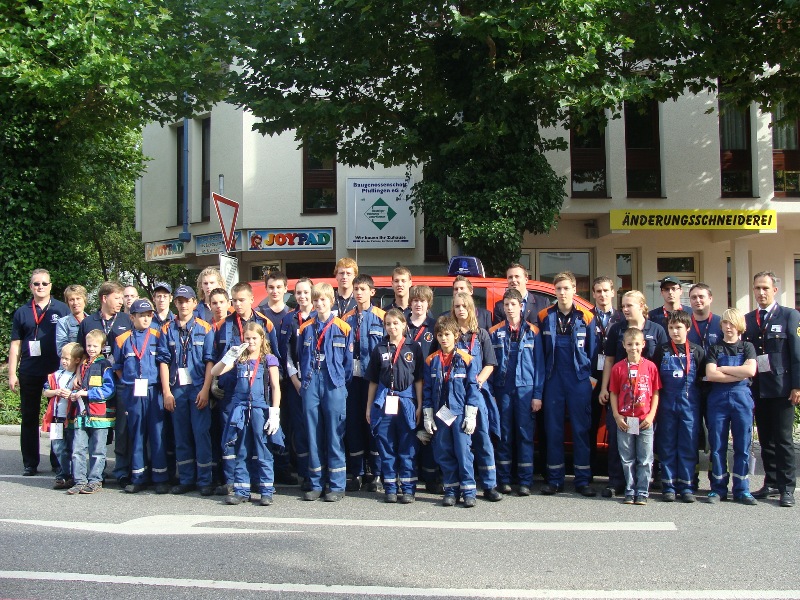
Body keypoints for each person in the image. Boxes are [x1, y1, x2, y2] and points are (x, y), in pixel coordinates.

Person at [213, 282, 283, 492]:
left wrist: (274, 410)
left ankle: (264, 489)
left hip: (260, 402)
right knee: (238, 445)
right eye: (234, 300)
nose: (238, 304)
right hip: (235, 399)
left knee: (261, 447)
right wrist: (231, 356)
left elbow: (275, 378)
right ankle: (237, 487)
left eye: (242, 299)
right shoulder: (225, 327)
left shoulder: (265, 329)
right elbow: (215, 368)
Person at [599, 290, 668, 498]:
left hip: (647, 398)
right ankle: (617, 482)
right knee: (619, 441)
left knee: (646, 443)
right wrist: (604, 388)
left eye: (630, 305)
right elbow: (609, 360)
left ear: (642, 306)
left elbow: (662, 363)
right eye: (623, 306)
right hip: (621, 398)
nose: (625, 309)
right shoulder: (616, 330)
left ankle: (644, 484)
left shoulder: (656, 329)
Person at [743, 271, 800, 508]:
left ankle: (787, 488)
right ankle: (772, 482)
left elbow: (796, 354)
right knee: (765, 438)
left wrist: (797, 385)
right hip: (758, 387)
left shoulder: (790, 315)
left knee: (783, 439)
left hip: (782, 388)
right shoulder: (748, 319)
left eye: (765, 288)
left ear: (775, 290)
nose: (761, 292)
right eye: (757, 288)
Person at [538, 272, 597, 496]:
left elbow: (592, 351)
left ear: (574, 289)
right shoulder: (545, 315)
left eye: (566, 288)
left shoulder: (587, 317)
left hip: (578, 380)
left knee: (581, 430)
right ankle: (555, 479)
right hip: (553, 379)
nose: (562, 293)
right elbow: (542, 352)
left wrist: (588, 380)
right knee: (553, 430)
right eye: (558, 289)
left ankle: (582, 480)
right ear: (554, 291)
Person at [8, 268, 69, 476]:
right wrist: (12, 373)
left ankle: (57, 459)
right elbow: (15, 345)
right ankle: (30, 463)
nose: (40, 287)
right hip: (29, 371)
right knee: (29, 417)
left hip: (56, 372)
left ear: (51, 286)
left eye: (44, 283)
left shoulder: (62, 309)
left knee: (57, 417)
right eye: (36, 284)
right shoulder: (22, 312)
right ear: (30, 287)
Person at [157, 285, 215, 496]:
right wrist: (166, 392)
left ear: (194, 303)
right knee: (181, 435)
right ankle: (187, 478)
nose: (183, 304)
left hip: (199, 388)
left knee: (201, 434)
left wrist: (206, 390)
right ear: (176, 303)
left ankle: (204, 480)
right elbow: (163, 362)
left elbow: (210, 361)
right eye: (179, 301)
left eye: (187, 300)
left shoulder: (205, 328)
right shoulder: (166, 329)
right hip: (177, 389)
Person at [297, 282, 354, 502]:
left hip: (334, 383)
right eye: (316, 300)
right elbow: (300, 355)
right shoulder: (305, 328)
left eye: (323, 300)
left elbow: (348, 364)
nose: (319, 304)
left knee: (334, 433)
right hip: (311, 381)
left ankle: (337, 485)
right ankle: (315, 483)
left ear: (331, 301)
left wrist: (340, 383)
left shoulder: (343, 327)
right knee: (313, 433)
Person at [76, 281, 132, 486]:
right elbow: (80, 352)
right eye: (117, 298)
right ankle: (96, 472)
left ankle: (122, 470)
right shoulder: (88, 322)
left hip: (120, 380)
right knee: (97, 429)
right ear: (104, 298)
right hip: (95, 384)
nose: (121, 301)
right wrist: (77, 375)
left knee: (123, 427)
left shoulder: (127, 319)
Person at [488, 289, 543, 496]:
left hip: (525, 390)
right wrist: (491, 391)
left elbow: (540, 367)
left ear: (521, 306)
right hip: (503, 389)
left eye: (513, 304)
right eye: (506, 304)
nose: (509, 308)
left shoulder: (534, 332)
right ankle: (504, 479)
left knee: (525, 435)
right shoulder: (494, 332)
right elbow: (490, 364)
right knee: (504, 435)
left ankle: (525, 481)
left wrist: (537, 395)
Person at [366, 309, 424, 503]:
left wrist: (419, 405)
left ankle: (408, 488)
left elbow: (418, 380)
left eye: (396, 323)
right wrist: (369, 407)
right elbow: (373, 380)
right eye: (388, 324)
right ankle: (390, 486)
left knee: (407, 445)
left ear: (403, 325)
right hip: (385, 400)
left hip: (407, 400)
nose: (392, 327)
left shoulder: (413, 347)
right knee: (386, 444)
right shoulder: (380, 348)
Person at [423, 316, 481, 507]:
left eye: (447, 334)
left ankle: (469, 491)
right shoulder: (431, 360)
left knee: (464, 452)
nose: (443, 338)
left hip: (460, 413)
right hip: (442, 413)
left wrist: (471, 415)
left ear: (456, 335)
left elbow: (472, 388)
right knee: (444, 451)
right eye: (440, 335)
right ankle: (451, 489)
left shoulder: (466, 359)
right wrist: (428, 414)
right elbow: (428, 390)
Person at [113, 299, 167, 494]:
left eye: (148, 315)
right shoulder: (122, 339)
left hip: (154, 390)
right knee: (136, 434)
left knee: (157, 433)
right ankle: (138, 476)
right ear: (132, 317)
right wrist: (129, 381)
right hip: (133, 391)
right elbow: (117, 367)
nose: (146, 318)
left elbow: (164, 362)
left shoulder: (158, 334)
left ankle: (160, 477)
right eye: (141, 315)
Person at [705, 308, 758, 505]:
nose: (728, 327)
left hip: (742, 399)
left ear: (739, 326)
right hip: (718, 399)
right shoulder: (714, 348)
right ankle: (718, 488)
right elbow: (711, 375)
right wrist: (738, 372)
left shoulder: (747, 347)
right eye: (725, 323)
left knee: (742, 446)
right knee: (717, 445)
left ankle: (742, 489)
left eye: (732, 323)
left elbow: (751, 370)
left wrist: (724, 369)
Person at [452, 291, 501, 501]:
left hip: (477, 392)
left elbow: (490, 364)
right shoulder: (448, 333)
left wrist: (477, 381)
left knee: (482, 438)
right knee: (460, 442)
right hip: (454, 395)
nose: (460, 309)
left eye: (464, 306)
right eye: (456, 306)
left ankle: (490, 485)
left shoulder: (481, 334)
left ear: (471, 308)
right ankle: (463, 485)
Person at [652, 311, 704, 502]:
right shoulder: (662, 350)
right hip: (667, 404)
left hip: (690, 405)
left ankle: (687, 486)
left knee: (688, 445)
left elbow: (702, 379)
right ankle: (668, 486)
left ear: (687, 328)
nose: (674, 331)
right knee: (667, 445)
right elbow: (654, 376)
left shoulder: (697, 351)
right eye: (671, 327)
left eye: (679, 327)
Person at [608, 327, 661, 505]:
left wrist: (651, 415)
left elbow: (655, 393)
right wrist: (616, 416)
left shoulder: (650, 367)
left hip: (644, 418)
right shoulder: (618, 368)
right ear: (623, 345)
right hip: (626, 419)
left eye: (637, 344)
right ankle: (630, 490)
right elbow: (614, 393)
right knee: (627, 457)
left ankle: (642, 491)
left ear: (643, 344)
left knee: (645, 458)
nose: (633, 348)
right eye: (630, 344)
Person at [342, 274, 385, 492]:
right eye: (356, 289)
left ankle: (375, 473)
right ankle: (356, 472)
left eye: (363, 289)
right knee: (354, 425)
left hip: (374, 381)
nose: (359, 293)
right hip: (352, 380)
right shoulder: (347, 318)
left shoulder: (382, 317)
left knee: (373, 424)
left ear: (372, 292)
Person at [68, 329, 116, 495]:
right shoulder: (82, 365)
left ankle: (95, 480)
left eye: (95, 346)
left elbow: (109, 390)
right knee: (78, 449)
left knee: (97, 450)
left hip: (100, 416)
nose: (91, 349)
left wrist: (88, 393)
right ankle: (79, 480)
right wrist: (76, 393)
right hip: (82, 415)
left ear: (102, 347)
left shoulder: (105, 365)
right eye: (88, 345)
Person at [279, 278, 314, 490]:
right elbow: (286, 354)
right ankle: (303, 474)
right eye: (298, 293)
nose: (302, 296)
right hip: (296, 384)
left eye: (306, 292)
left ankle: (317, 472)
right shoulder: (289, 319)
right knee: (300, 430)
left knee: (316, 429)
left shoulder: (321, 317)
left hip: (316, 383)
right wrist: (294, 380)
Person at [589, 276, 624, 474]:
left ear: (613, 292)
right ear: (593, 294)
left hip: (615, 378)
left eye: (605, 291)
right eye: (598, 291)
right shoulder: (585, 316)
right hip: (592, 378)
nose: (602, 295)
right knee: (590, 425)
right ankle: (590, 469)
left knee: (614, 425)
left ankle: (615, 473)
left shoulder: (622, 319)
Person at [42, 342, 83, 490]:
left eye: (67, 358)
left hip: (70, 418)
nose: (64, 361)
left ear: (77, 360)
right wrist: (56, 392)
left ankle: (72, 475)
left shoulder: (78, 377)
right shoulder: (55, 375)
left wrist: (71, 394)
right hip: (55, 418)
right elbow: (46, 391)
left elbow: (80, 394)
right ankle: (62, 474)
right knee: (57, 447)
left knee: (72, 447)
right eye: (62, 358)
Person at [56, 285, 87, 355]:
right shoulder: (63, 323)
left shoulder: (93, 320)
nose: (75, 303)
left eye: (78, 298)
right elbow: (61, 351)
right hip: (71, 364)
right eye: (71, 300)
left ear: (84, 300)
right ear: (68, 302)